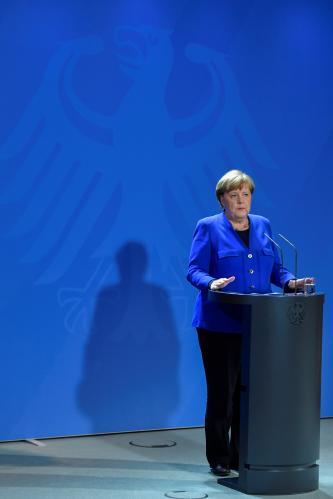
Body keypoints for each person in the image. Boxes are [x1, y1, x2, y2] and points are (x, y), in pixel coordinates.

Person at [187, 169, 314, 477]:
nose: (241, 201)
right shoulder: (208, 227)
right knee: (223, 392)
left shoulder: (263, 226)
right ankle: (219, 456)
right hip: (219, 324)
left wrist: (290, 283)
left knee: (250, 392)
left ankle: (240, 455)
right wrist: (212, 282)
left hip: (260, 324)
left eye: (246, 195)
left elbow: (275, 269)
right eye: (234, 195)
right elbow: (193, 270)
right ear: (222, 199)